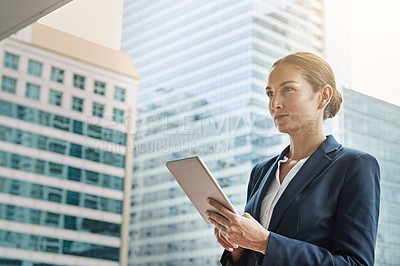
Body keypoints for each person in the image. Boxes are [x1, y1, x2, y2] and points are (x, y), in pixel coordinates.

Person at [206, 52, 380, 266]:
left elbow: (356, 263)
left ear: (322, 96)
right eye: (270, 93)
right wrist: (238, 249)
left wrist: (264, 242)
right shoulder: (261, 171)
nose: (275, 103)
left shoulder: (354, 165)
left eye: (288, 89)